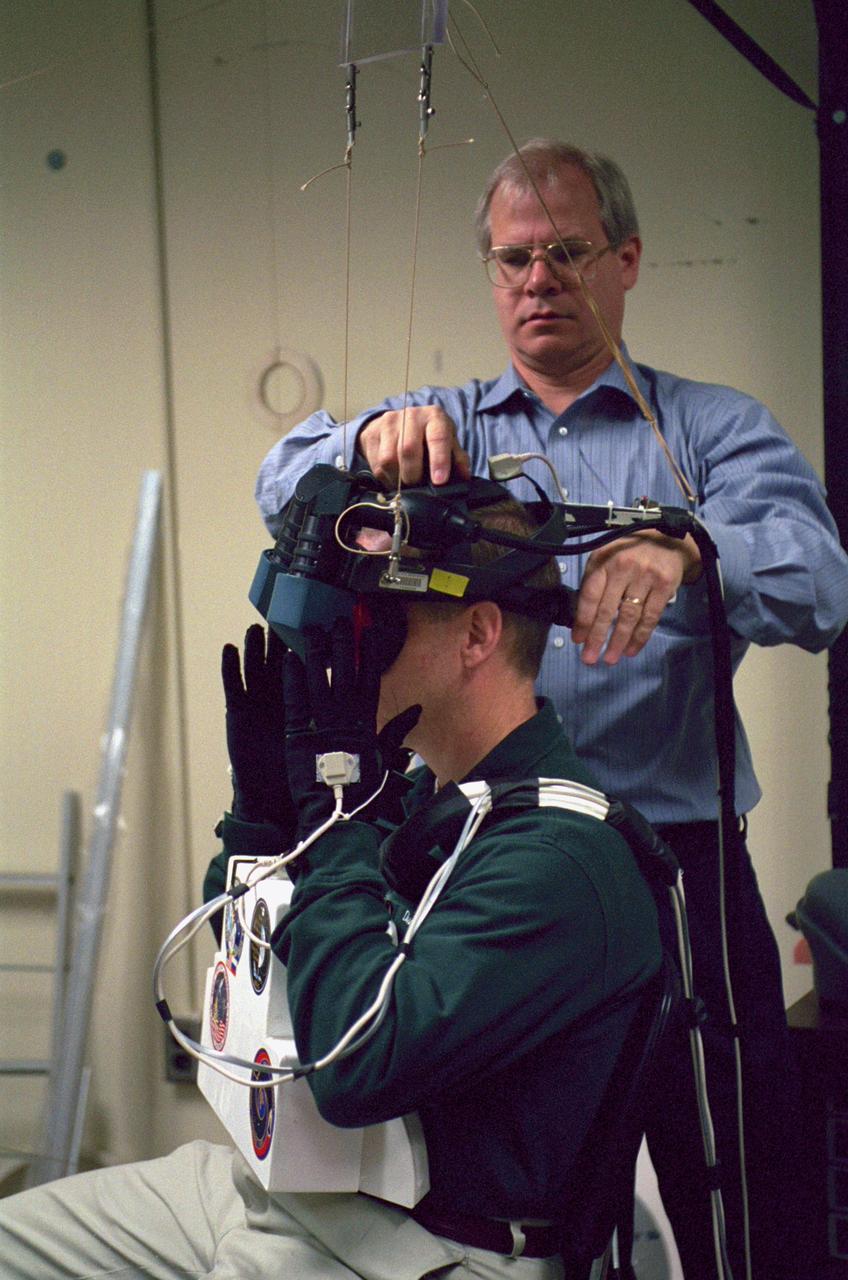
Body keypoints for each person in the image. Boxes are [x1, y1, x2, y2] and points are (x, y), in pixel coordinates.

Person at [253, 140, 848, 1278]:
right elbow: (281, 488)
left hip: (672, 870)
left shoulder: (709, 434)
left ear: (624, 261)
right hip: (477, 861)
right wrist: (356, 448)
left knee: (730, 1169)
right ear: (490, 276)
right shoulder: (443, 431)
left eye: (566, 252)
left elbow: (819, 586)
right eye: (513, 258)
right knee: (494, 1181)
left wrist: (693, 543)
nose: (538, 280)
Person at [0, 495, 662, 1279]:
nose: (347, 658)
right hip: (291, 1192)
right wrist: (265, 821)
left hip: (429, 1244)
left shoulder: (560, 859)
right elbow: (258, 976)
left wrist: (338, 824)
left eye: (379, 623)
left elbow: (354, 1062)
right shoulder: (427, 797)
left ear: (478, 634)